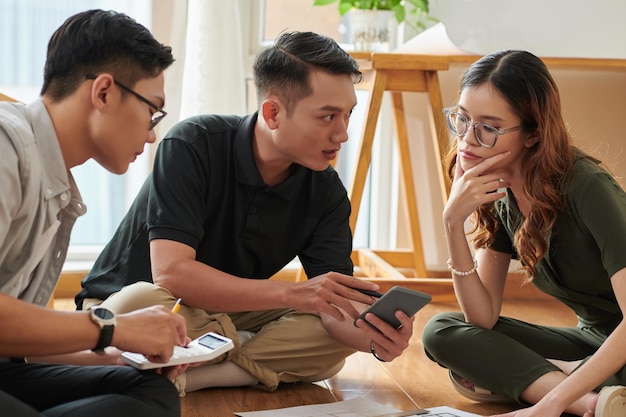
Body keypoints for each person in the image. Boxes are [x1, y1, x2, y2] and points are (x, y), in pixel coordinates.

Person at [75, 31, 415, 394]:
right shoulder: (191, 145)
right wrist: (290, 296)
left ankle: (191, 372)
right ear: (272, 113)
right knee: (138, 302)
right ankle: (239, 357)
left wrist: (375, 340)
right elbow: (171, 274)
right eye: (327, 117)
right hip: (143, 305)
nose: (342, 134)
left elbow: (335, 307)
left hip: (227, 315)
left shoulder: (326, 189)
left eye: (347, 115)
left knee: (332, 343)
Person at [0, 9, 189, 417]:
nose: (153, 131)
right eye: (151, 110)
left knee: (146, 390)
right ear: (103, 92)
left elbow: (14, 341)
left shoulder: (59, 186)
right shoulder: (6, 147)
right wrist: (113, 326)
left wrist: (113, 353)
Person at [421, 49, 626, 417]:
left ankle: (552, 386)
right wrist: (453, 223)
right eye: (462, 119)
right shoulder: (499, 194)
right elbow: (481, 318)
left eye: (488, 128)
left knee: (482, 361)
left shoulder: (587, 187)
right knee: (442, 331)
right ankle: (591, 401)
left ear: (532, 135)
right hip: (593, 341)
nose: (468, 139)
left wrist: (547, 405)